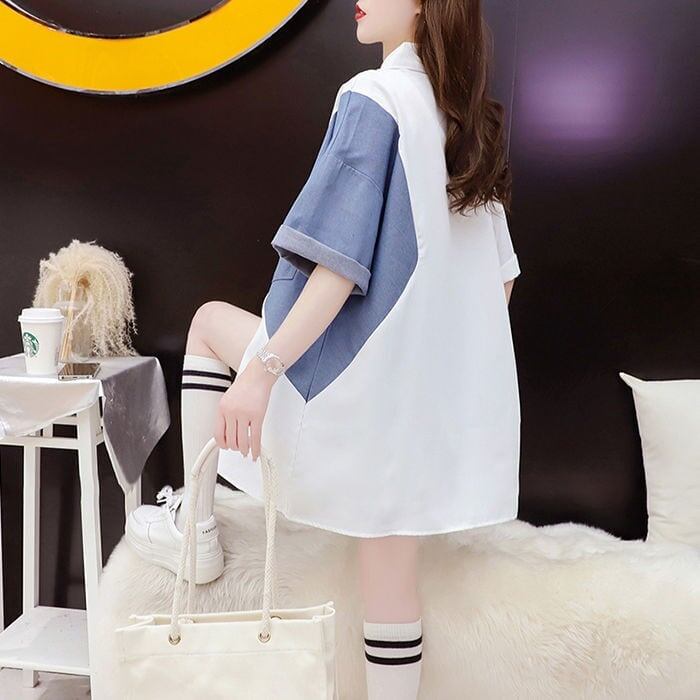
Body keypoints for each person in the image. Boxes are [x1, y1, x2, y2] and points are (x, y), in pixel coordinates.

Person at [126, 1, 521, 697]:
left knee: (209, 323)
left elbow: (335, 266)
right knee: (390, 576)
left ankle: (198, 528)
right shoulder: (464, 121)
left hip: (348, 393)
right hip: (422, 413)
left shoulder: (374, 97)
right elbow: (502, 280)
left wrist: (261, 373)